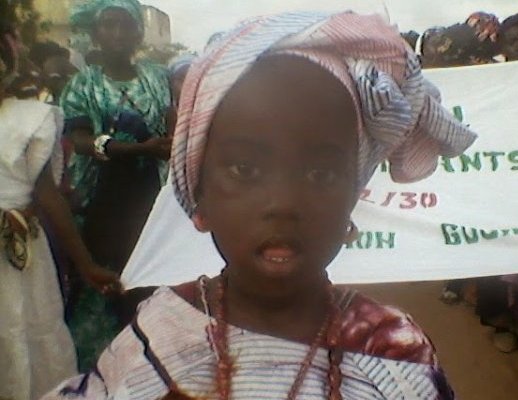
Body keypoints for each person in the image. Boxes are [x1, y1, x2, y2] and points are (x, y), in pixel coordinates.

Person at [43, 11, 476, 399]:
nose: (283, 204)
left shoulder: (393, 353)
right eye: (245, 169)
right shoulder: (160, 333)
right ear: (199, 197)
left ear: (353, 196)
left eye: (321, 174)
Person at [0, 3, 121, 398]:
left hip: (19, 259)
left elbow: (49, 198)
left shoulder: (28, 118)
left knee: (23, 334)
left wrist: (86, 264)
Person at [59, 0, 172, 369]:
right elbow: (79, 140)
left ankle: (152, 364)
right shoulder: (82, 84)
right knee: (103, 286)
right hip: (103, 201)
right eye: (109, 24)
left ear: (138, 32)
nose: (118, 33)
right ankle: (103, 368)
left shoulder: (157, 78)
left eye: (126, 25)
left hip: (150, 198)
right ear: (95, 32)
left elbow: (173, 122)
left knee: (151, 280)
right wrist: (136, 148)